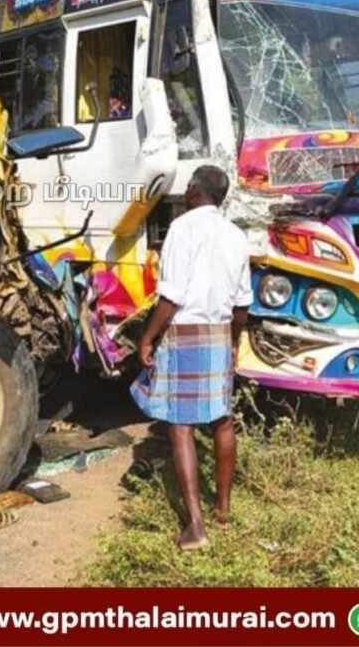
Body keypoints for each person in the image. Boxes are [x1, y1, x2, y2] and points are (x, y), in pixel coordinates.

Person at [133, 166, 252, 551]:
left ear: (194, 191)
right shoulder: (236, 236)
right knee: (222, 421)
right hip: (219, 332)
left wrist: (148, 338)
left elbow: (171, 296)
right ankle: (223, 507)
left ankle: (195, 526)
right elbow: (242, 303)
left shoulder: (182, 229)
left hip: (185, 333)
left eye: (187, 186)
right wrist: (233, 342)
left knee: (181, 426)